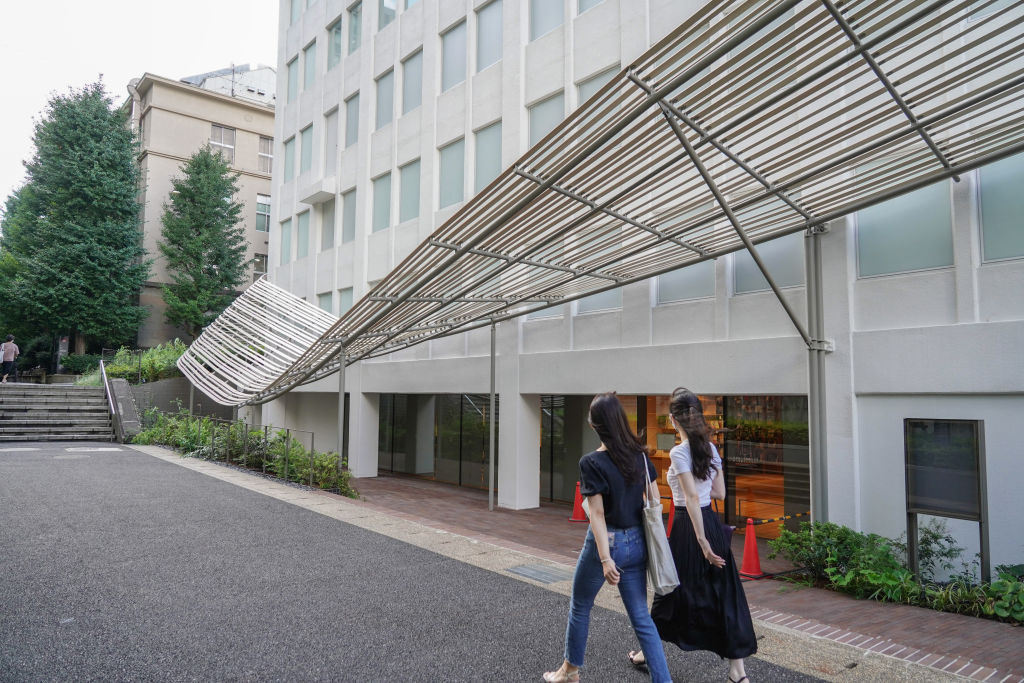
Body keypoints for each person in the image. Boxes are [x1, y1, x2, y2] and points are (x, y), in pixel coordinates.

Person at [629, 387, 757, 683]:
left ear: (673, 420)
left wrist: (702, 543)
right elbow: (720, 493)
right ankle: (737, 673)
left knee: (670, 591)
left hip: (689, 528)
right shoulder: (710, 449)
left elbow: (687, 498)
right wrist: (708, 531)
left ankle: (647, 652)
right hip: (710, 522)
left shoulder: (678, 452)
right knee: (724, 593)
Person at [544, 392, 673, 683]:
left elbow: (598, 515)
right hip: (638, 541)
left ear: (595, 426)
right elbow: (655, 499)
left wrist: (605, 559)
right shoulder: (639, 455)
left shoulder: (592, 463)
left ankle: (570, 671)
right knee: (641, 618)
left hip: (607, 542)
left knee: (581, 605)